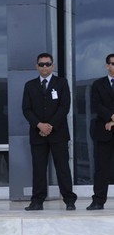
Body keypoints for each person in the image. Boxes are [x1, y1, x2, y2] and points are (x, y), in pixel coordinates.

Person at [22, 52, 77, 211]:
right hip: (37, 134)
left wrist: (50, 126)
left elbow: (64, 107)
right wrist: (39, 125)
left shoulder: (61, 83)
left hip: (58, 133)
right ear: (36, 66)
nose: (44, 67)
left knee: (62, 167)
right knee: (39, 169)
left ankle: (69, 199)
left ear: (52, 66)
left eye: (47, 64)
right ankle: (37, 201)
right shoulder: (30, 85)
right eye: (41, 64)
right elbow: (26, 109)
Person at [86, 54, 114, 210]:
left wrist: (113, 121)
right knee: (102, 168)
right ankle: (98, 201)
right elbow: (96, 105)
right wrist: (111, 116)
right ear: (107, 66)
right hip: (103, 132)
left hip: (109, 125)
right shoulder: (98, 84)